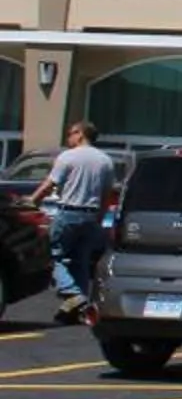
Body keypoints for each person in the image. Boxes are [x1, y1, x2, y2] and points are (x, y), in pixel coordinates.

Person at [34, 119, 119, 324]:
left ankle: (73, 294)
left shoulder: (68, 157)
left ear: (80, 134)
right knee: (80, 260)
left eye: (71, 133)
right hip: (91, 216)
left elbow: (50, 184)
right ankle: (80, 310)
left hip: (69, 213)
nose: (68, 137)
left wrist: (32, 200)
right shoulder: (105, 160)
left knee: (53, 256)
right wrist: (100, 216)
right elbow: (108, 193)